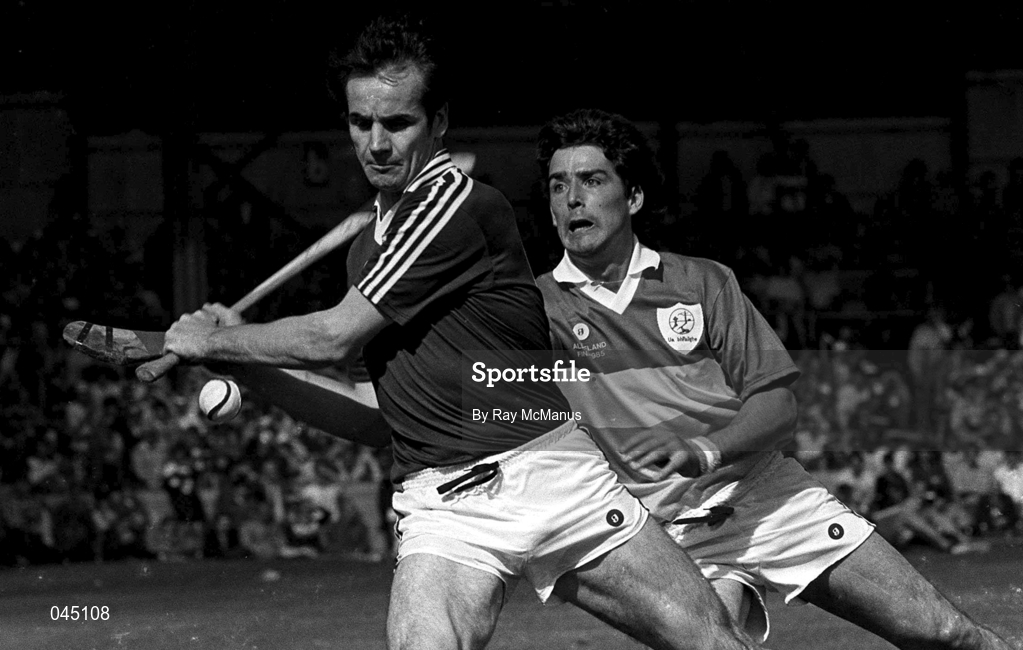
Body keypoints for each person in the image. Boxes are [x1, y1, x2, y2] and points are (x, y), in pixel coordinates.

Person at [162, 14, 763, 650]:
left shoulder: (456, 204)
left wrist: (217, 340)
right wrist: (247, 366)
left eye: (397, 123)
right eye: (360, 123)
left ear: (439, 122)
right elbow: (375, 415)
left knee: (709, 640)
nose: (376, 143)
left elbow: (332, 338)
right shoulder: (368, 252)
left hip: (550, 474)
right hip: (444, 507)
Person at [534, 107, 1016, 649]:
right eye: (557, 186)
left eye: (592, 180)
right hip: (663, 535)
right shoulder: (534, 310)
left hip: (765, 497)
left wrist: (703, 450)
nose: (572, 198)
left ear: (634, 198)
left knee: (944, 632)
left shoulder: (705, 283)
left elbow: (779, 403)